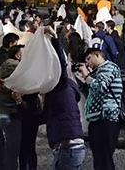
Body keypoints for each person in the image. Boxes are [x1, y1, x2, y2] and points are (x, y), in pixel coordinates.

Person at [41, 27, 86, 169]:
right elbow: (41, 117)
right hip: (67, 148)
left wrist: (55, 39)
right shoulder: (59, 92)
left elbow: (60, 63)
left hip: (69, 148)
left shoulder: (62, 86)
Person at [77, 47, 123, 170]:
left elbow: (100, 87)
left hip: (106, 119)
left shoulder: (109, 68)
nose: (87, 63)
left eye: (88, 58)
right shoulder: (98, 71)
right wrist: (81, 80)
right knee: (99, 157)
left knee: (105, 158)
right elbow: (91, 94)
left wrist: (86, 76)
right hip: (97, 119)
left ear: (97, 55)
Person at [0, 45, 25, 170]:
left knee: (1, 145)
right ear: (18, 55)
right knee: (12, 148)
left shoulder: (5, 64)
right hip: (10, 111)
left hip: (1, 109)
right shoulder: (15, 66)